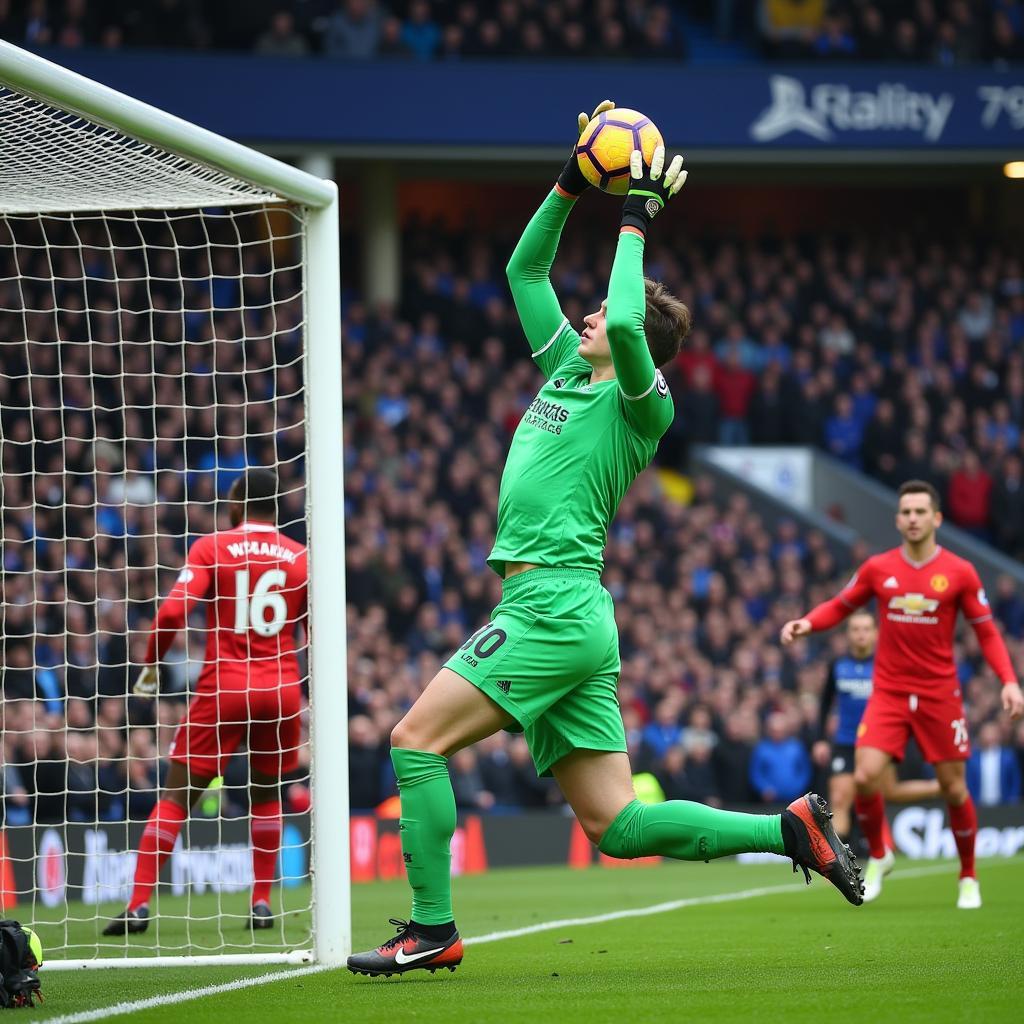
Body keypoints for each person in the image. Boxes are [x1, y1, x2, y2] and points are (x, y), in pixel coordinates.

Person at [347, 102, 862, 981]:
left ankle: (431, 928)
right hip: (565, 611)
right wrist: (573, 180)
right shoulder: (562, 369)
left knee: (413, 741)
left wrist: (636, 210)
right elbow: (523, 266)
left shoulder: (640, 401)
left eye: (594, 315)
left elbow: (626, 324)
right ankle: (790, 829)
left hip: (553, 601)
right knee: (617, 827)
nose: (584, 317)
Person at [782, 480, 1024, 909]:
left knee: (953, 789)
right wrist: (808, 623)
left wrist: (1008, 680)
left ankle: (968, 876)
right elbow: (841, 604)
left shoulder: (960, 572)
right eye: (906, 512)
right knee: (864, 777)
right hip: (889, 692)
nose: (912, 519)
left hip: (939, 695)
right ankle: (881, 853)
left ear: (936, 519)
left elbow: (986, 631)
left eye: (920, 512)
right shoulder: (879, 568)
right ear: (897, 520)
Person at [104, 468, 308, 935]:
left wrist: (152, 666)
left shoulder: (212, 546)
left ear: (235, 506)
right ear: (275, 510)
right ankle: (259, 902)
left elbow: (174, 611)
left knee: (177, 796)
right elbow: (313, 634)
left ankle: (137, 905)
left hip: (225, 688)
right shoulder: (300, 557)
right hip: (282, 690)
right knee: (266, 794)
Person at [812, 610, 940, 846]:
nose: (860, 634)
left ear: (875, 634)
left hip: (879, 742)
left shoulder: (888, 663)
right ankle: (840, 862)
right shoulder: (837, 665)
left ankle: (940, 787)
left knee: (887, 793)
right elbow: (825, 703)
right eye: (855, 629)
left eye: (866, 629)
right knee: (840, 798)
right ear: (848, 635)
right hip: (845, 742)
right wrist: (820, 739)